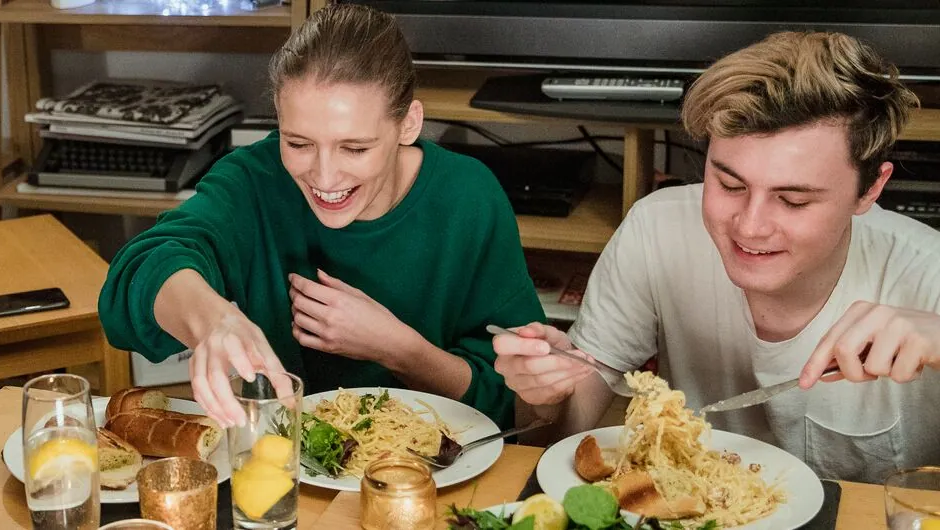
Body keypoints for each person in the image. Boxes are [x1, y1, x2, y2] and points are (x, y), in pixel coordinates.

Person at [492, 31, 940, 483]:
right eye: (729, 185)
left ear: (871, 189)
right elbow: (559, 438)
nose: (749, 226)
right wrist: (543, 391)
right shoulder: (657, 228)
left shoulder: (927, 271)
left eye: (794, 200)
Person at [99, 4, 544, 428]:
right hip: (288, 472)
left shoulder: (469, 197)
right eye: (298, 143)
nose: (324, 177)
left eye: (355, 148)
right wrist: (213, 320)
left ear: (408, 123)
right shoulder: (254, 180)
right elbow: (135, 277)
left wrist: (398, 348)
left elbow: (517, 406)